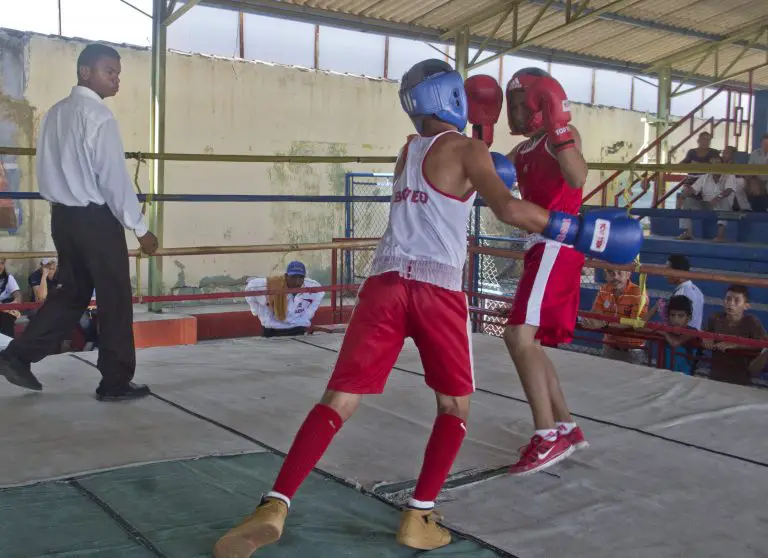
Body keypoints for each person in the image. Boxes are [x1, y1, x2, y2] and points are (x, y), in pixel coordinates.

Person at [213, 60, 642, 557]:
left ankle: (274, 503)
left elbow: (446, 188)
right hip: (435, 289)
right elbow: (507, 210)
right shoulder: (470, 149)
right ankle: (419, 514)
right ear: (453, 100)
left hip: (384, 283)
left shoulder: (406, 152)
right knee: (453, 405)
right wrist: (586, 233)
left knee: (339, 399)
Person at [0, 44, 158, 400]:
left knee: (73, 293)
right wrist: (140, 227)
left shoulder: (55, 113)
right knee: (115, 298)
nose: (116, 79)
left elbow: (45, 168)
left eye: (118, 73)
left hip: (64, 218)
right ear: (85, 72)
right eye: (109, 71)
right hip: (96, 221)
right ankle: (115, 382)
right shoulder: (99, 117)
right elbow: (114, 179)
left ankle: (17, 356)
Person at [502, 68, 589, 476]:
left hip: (558, 243)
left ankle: (546, 435)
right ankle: (567, 427)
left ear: (543, 105)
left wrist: (560, 125)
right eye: (512, 105)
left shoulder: (558, 140)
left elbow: (578, 176)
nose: (517, 113)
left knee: (519, 336)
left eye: (525, 105)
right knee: (530, 341)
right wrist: (479, 134)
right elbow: (493, 183)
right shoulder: (522, 153)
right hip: (540, 247)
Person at [704, 285, 767, 386]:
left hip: (740, 377)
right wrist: (706, 338)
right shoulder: (715, 318)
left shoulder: (752, 322)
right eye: (728, 299)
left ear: (746, 305)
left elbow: (763, 344)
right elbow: (704, 333)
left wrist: (736, 344)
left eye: (737, 300)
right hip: (716, 374)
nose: (731, 303)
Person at [583, 269, 649, 365]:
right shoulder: (604, 289)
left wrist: (604, 323)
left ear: (628, 274)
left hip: (632, 350)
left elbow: (634, 322)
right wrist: (590, 321)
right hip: (609, 346)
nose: (615, 276)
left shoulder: (639, 293)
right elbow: (595, 313)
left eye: (619, 273)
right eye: (610, 272)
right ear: (605, 276)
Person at [245, 261, 324, 337]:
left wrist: (306, 317)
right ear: (286, 276)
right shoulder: (269, 285)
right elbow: (250, 289)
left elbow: (320, 294)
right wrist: (256, 311)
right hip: (273, 331)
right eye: (294, 277)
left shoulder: (312, 286)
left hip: (298, 329)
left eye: (300, 277)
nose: (297, 281)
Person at [677, 155, 738, 241]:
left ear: (722, 164)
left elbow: (728, 190)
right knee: (687, 201)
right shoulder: (704, 177)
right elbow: (693, 189)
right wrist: (684, 194)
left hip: (722, 205)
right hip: (706, 205)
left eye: (717, 163)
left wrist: (717, 198)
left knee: (724, 200)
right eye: (712, 163)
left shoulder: (729, 176)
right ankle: (688, 232)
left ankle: (720, 236)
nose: (715, 165)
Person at [647, 255, 704, 330]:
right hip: (691, 337)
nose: (665, 274)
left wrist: (657, 309)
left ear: (678, 272)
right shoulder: (697, 290)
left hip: (682, 338)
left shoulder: (681, 294)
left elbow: (676, 326)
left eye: (668, 270)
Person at [662, 295, 698, 375]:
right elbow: (640, 328)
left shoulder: (692, 331)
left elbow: (675, 342)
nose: (676, 320)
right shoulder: (667, 329)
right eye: (672, 315)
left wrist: (664, 332)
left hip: (684, 379)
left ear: (689, 317)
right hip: (664, 376)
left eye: (681, 316)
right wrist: (655, 308)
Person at [746, 133, 768, 212]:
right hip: (756, 178)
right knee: (753, 187)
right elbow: (749, 168)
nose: (766, 146)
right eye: (764, 143)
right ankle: (749, 208)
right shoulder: (755, 153)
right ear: (761, 143)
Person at [0, 259, 22, 338]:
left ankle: (8, 345)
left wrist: (9, 308)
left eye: (2, 263)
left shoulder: (8, 278)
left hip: (6, 310)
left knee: (7, 318)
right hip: (5, 310)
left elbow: (18, 298)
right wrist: (7, 309)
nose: (0, 266)